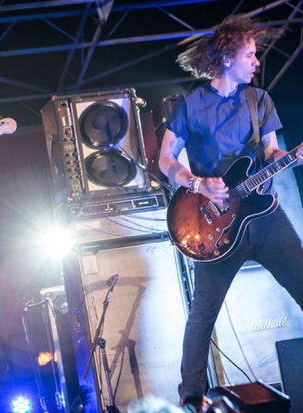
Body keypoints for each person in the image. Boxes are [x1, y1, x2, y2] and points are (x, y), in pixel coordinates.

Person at [158, 15, 303, 407]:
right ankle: (192, 396)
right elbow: (166, 160)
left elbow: (271, 152)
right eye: (251, 54)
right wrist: (196, 183)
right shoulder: (190, 104)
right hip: (216, 225)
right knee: (203, 312)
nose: (257, 61)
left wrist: (289, 157)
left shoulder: (260, 100)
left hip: (264, 215)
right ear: (226, 58)